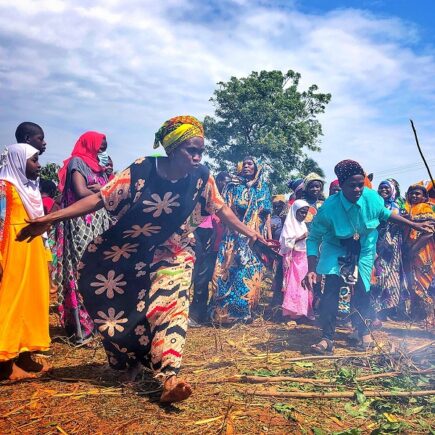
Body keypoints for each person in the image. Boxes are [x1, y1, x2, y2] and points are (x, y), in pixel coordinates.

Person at [18, 116, 264, 403]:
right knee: (123, 309)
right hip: (129, 251)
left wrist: (252, 234)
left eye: (201, 151)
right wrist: (50, 218)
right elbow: (99, 199)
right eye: (190, 150)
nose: (197, 157)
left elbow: (221, 210)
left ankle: (169, 377)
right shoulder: (141, 169)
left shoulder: (202, 177)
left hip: (175, 252)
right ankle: (129, 361)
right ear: (171, 148)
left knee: (171, 304)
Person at [303, 160, 434, 354]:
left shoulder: (371, 197)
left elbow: (384, 213)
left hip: (364, 245)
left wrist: (413, 225)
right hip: (336, 245)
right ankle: (327, 338)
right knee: (331, 289)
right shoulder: (329, 208)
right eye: (352, 185)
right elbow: (313, 239)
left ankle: (362, 330)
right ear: (341, 185)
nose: (357, 189)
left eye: (360, 184)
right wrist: (311, 268)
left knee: (363, 288)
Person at [55, 131, 112, 345]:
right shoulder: (77, 162)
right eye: (100, 145)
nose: (102, 150)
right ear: (89, 144)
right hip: (82, 224)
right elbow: (80, 192)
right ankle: (83, 328)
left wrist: (106, 183)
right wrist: (104, 191)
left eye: (105, 146)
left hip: (99, 223)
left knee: (99, 273)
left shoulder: (100, 168)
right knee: (81, 271)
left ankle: (99, 324)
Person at [0, 143, 50, 380]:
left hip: (32, 251)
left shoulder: (30, 188)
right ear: (19, 161)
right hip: (12, 251)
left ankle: (25, 355)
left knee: (32, 301)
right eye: (34, 160)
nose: (39, 166)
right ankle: (5, 365)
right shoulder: (4, 188)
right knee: (11, 301)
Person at [210, 157, 272, 325]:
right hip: (233, 237)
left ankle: (244, 313)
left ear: (257, 167)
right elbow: (223, 211)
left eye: (250, 164)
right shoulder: (232, 187)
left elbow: (265, 216)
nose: (245, 166)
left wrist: (266, 237)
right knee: (227, 273)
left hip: (254, 239)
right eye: (243, 163)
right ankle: (222, 313)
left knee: (247, 274)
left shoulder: (263, 189)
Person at [190, 171, 231, 325]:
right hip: (205, 246)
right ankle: (195, 314)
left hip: (222, 251)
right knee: (200, 281)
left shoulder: (231, 203)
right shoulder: (208, 199)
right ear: (218, 182)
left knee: (216, 283)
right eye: (222, 181)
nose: (225, 184)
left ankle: (212, 313)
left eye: (228, 182)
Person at [371, 179, 407, 321]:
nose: (383, 190)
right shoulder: (374, 204)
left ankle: (383, 311)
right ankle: (372, 311)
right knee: (375, 277)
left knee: (387, 277)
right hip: (374, 243)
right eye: (381, 187)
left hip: (390, 247)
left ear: (392, 190)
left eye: (387, 188)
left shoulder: (397, 207)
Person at [404, 184, 435, 326]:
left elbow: (429, 232)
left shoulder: (425, 209)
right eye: (412, 194)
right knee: (412, 282)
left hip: (422, 252)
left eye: (417, 194)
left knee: (422, 283)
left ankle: (429, 317)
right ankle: (417, 316)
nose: (414, 196)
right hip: (409, 252)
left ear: (425, 197)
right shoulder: (407, 208)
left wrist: (413, 250)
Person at [280, 200, 313, 321]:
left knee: (303, 285)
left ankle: (302, 311)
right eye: (301, 212)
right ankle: (291, 313)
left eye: (305, 213)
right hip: (293, 259)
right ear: (295, 212)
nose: (303, 215)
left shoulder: (302, 224)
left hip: (303, 259)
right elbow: (285, 244)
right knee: (293, 285)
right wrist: (300, 238)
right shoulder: (289, 225)